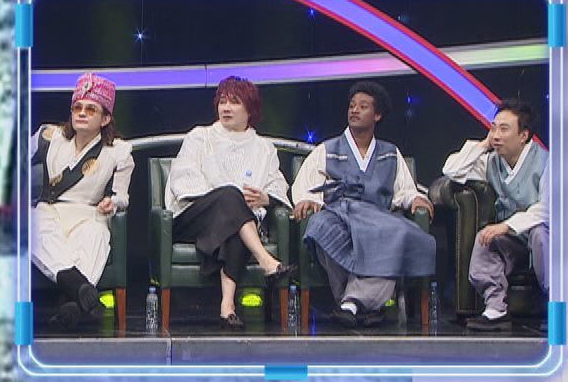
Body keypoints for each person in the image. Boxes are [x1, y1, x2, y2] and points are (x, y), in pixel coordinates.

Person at [291, 81, 437, 328]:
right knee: (321, 228)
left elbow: (405, 190)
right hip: (339, 215)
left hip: (377, 219)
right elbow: (305, 187)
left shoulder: (390, 153)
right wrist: (309, 200)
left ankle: (351, 305)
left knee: (399, 235)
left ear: (377, 115)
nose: (355, 110)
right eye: (352, 106)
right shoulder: (327, 149)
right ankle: (367, 305)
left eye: (363, 106)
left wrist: (415, 198)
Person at [165, 76, 295, 330]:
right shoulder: (200, 137)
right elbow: (183, 177)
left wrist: (265, 198)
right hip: (195, 217)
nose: (226, 108)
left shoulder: (264, 147)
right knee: (230, 198)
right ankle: (266, 260)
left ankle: (227, 306)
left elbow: (277, 183)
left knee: (235, 224)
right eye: (222, 101)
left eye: (234, 102)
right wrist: (224, 197)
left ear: (250, 109)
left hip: (239, 223)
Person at [30, 73, 135, 330]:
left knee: (96, 235)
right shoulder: (49, 137)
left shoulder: (119, 151)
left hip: (88, 214)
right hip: (50, 211)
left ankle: (74, 303)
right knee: (33, 225)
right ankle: (81, 291)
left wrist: (112, 203)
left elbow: (122, 196)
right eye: (77, 108)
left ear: (105, 118)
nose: (82, 114)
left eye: (90, 109)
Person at [443, 100, 548, 332]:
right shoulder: (492, 162)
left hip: (541, 230)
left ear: (524, 135)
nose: (496, 135)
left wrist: (507, 226)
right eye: (493, 128)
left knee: (540, 235)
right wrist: (483, 145)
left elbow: (547, 209)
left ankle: (557, 303)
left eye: (504, 129)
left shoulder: (546, 162)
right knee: (485, 239)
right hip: (513, 239)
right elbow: (451, 170)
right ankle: (496, 308)